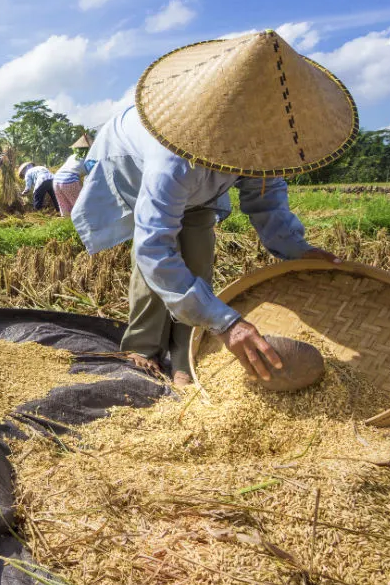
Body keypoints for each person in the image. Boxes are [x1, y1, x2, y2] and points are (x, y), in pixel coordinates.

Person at [71, 30, 354, 388]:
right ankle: (142, 347)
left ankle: (184, 356)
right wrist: (229, 323)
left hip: (200, 191)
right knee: (156, 265)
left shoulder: (260, 147)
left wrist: (300, 251)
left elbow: (266, 200)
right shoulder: (172, 158)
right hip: (131, 166)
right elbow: (154, 246)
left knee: (199, 256)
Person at [53, 133, 93, 217]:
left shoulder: (72, 156)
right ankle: (83, 226)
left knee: (64, 207)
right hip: (69, 179)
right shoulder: (90, 159)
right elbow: (93, 176)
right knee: (81, 207)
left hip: (56, 179)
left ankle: (67, 225)